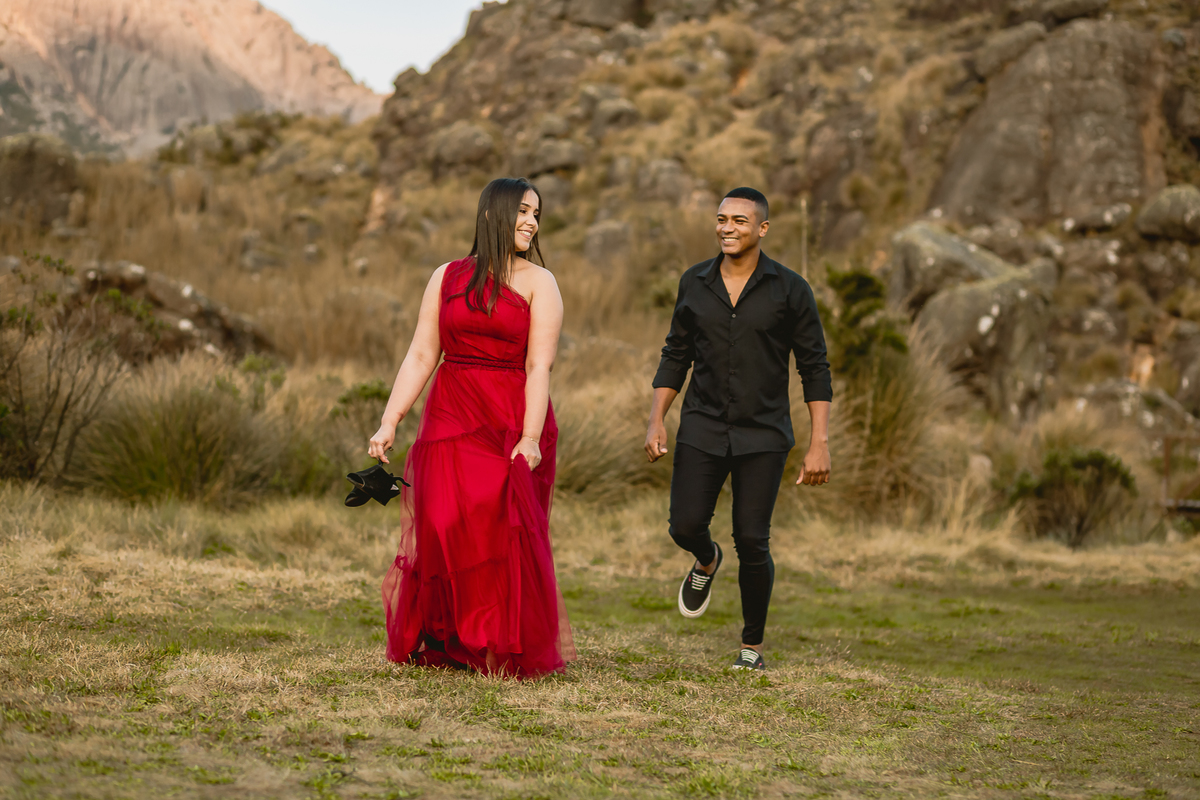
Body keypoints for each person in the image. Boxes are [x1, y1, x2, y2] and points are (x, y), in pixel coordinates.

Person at [369, 177, 575, 678]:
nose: (531, 222)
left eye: (536, 214)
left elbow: (539, 367)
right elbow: (422, 354)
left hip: (512, 415)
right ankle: (451, 637)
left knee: (495, 529)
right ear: (491, 214)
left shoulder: (540, 282)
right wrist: (390, 419)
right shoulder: (446, 276)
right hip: (451, 410)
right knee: (442, 522)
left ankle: (494, 642)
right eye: (522, 211)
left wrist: (530, 438)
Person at [644, 186, 832, 671]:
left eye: (739, 221)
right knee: (684, 525)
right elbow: (675, 355)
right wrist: (656, 419)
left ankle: (752, 647)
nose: (727, 228)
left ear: (762, 229)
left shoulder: (791, 290)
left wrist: (819, 443)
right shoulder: (694, 282)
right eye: (722, 219)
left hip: (763, 435)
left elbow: (814, 367)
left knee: (752, 539)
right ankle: (706, 559)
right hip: (702, 426)